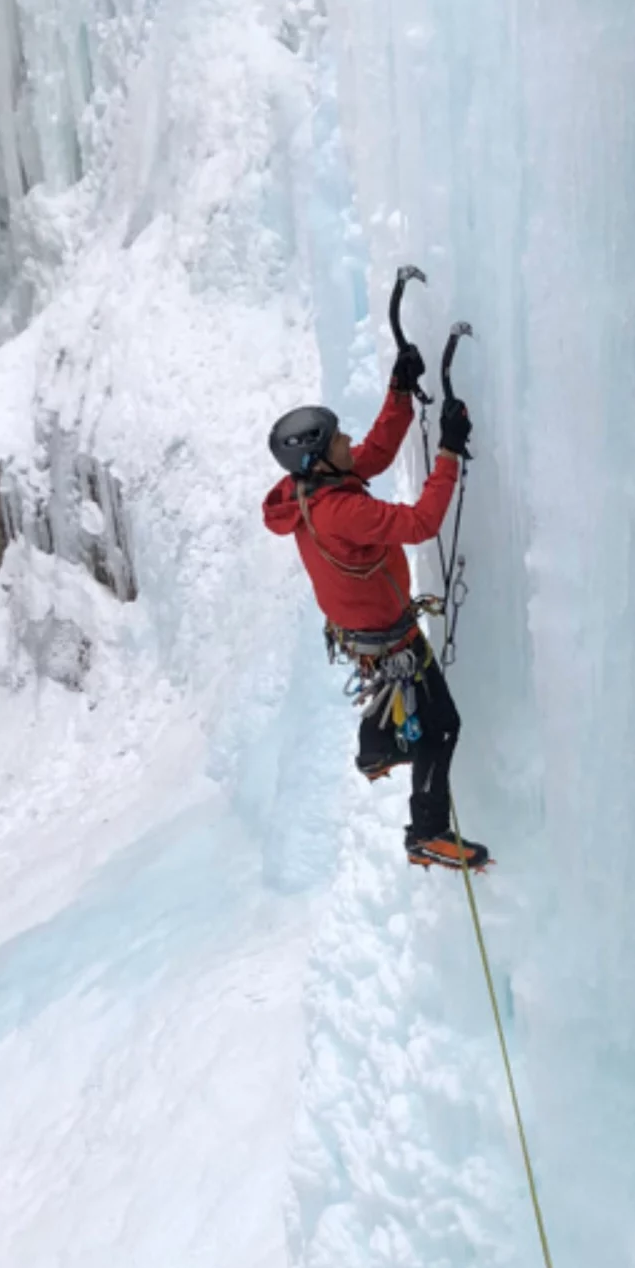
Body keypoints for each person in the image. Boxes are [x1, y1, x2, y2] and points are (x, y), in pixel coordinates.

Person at [262, 342, 489, 873]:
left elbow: (376, 452)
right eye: (336, 438)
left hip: (371, 637)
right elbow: (419, 523)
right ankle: (427, 833)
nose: (347, 440)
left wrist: (400, 392)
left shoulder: (311, 490)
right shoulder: (342, 511)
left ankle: (378, 745)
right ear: (318, 458)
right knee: (443, 727)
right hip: (392, 641)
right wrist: (450, 453)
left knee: (419, 714)